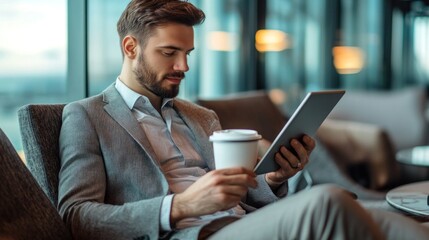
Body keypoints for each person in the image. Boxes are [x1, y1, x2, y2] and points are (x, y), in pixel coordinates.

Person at [57, 0, 429, 239]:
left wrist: (274, 179)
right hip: (189, 234)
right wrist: (181, 206)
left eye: (187, 53)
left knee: (398, 225)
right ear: (130, 47)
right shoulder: (87, 115)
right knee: (326, 203)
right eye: (169, 52)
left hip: (242, 224)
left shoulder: (201, 116)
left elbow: (246, 192)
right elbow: (76, 217)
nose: (183, 66)